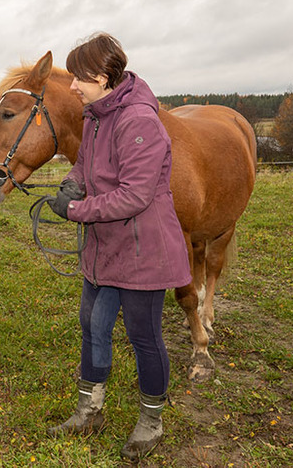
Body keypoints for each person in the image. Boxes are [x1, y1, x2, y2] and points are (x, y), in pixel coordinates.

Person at [46, 32, 192, 459]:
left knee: (143, 336)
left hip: (143, 250)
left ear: (105, 75)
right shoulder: (96, 113)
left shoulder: (138, 121)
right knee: (92, 325)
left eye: (79, 78)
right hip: (104, 247)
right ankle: (90, 410)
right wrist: (72, 183)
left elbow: (134, 195)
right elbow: (84, 162)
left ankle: (151, 421)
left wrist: (75, 211)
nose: (72, 86)